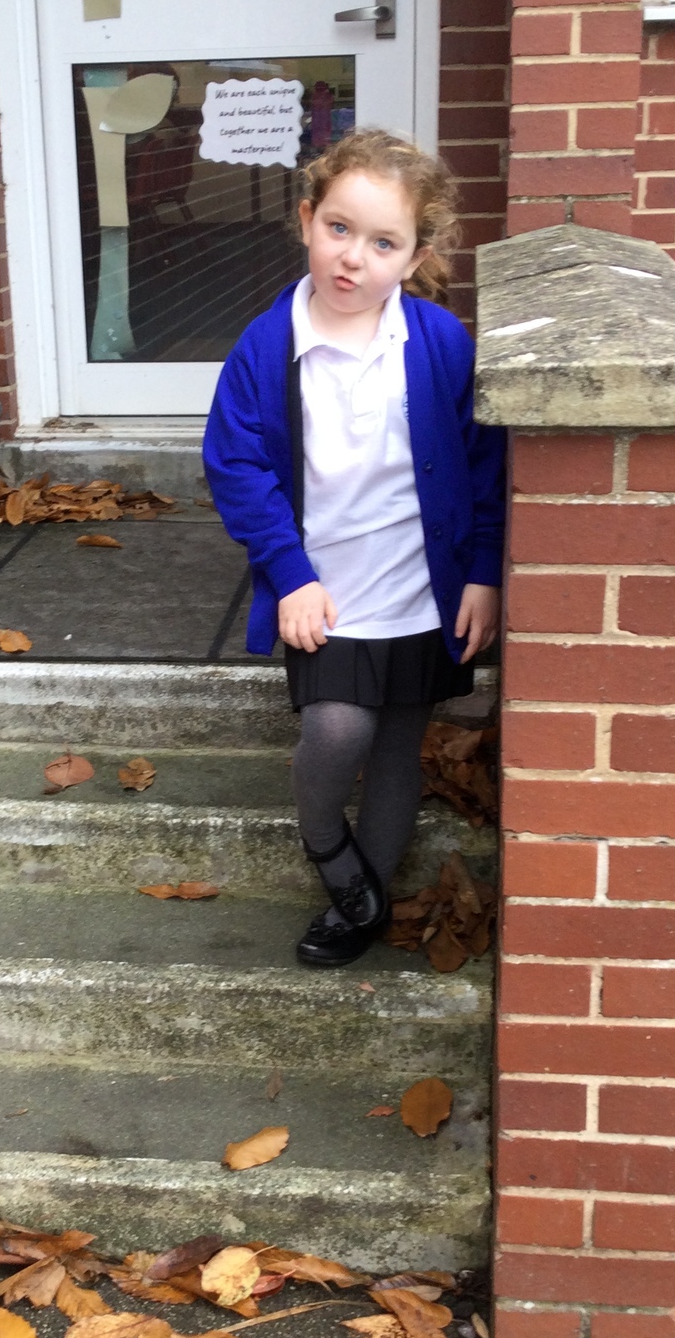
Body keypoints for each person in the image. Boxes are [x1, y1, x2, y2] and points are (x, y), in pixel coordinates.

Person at [203, 128, 505, 968]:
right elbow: (236, 467)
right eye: (339, 228)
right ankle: (327, 847)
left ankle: (359, 909)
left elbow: (486, 465)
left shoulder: (438, 343)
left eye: (382, 243)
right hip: (327, 591)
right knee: (337, 730)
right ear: (307, 219)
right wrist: (289, 576)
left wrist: (484, 573)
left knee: (399, 745)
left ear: (414, 258)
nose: (353, 258)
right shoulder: (268, 347)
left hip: (419, 587)